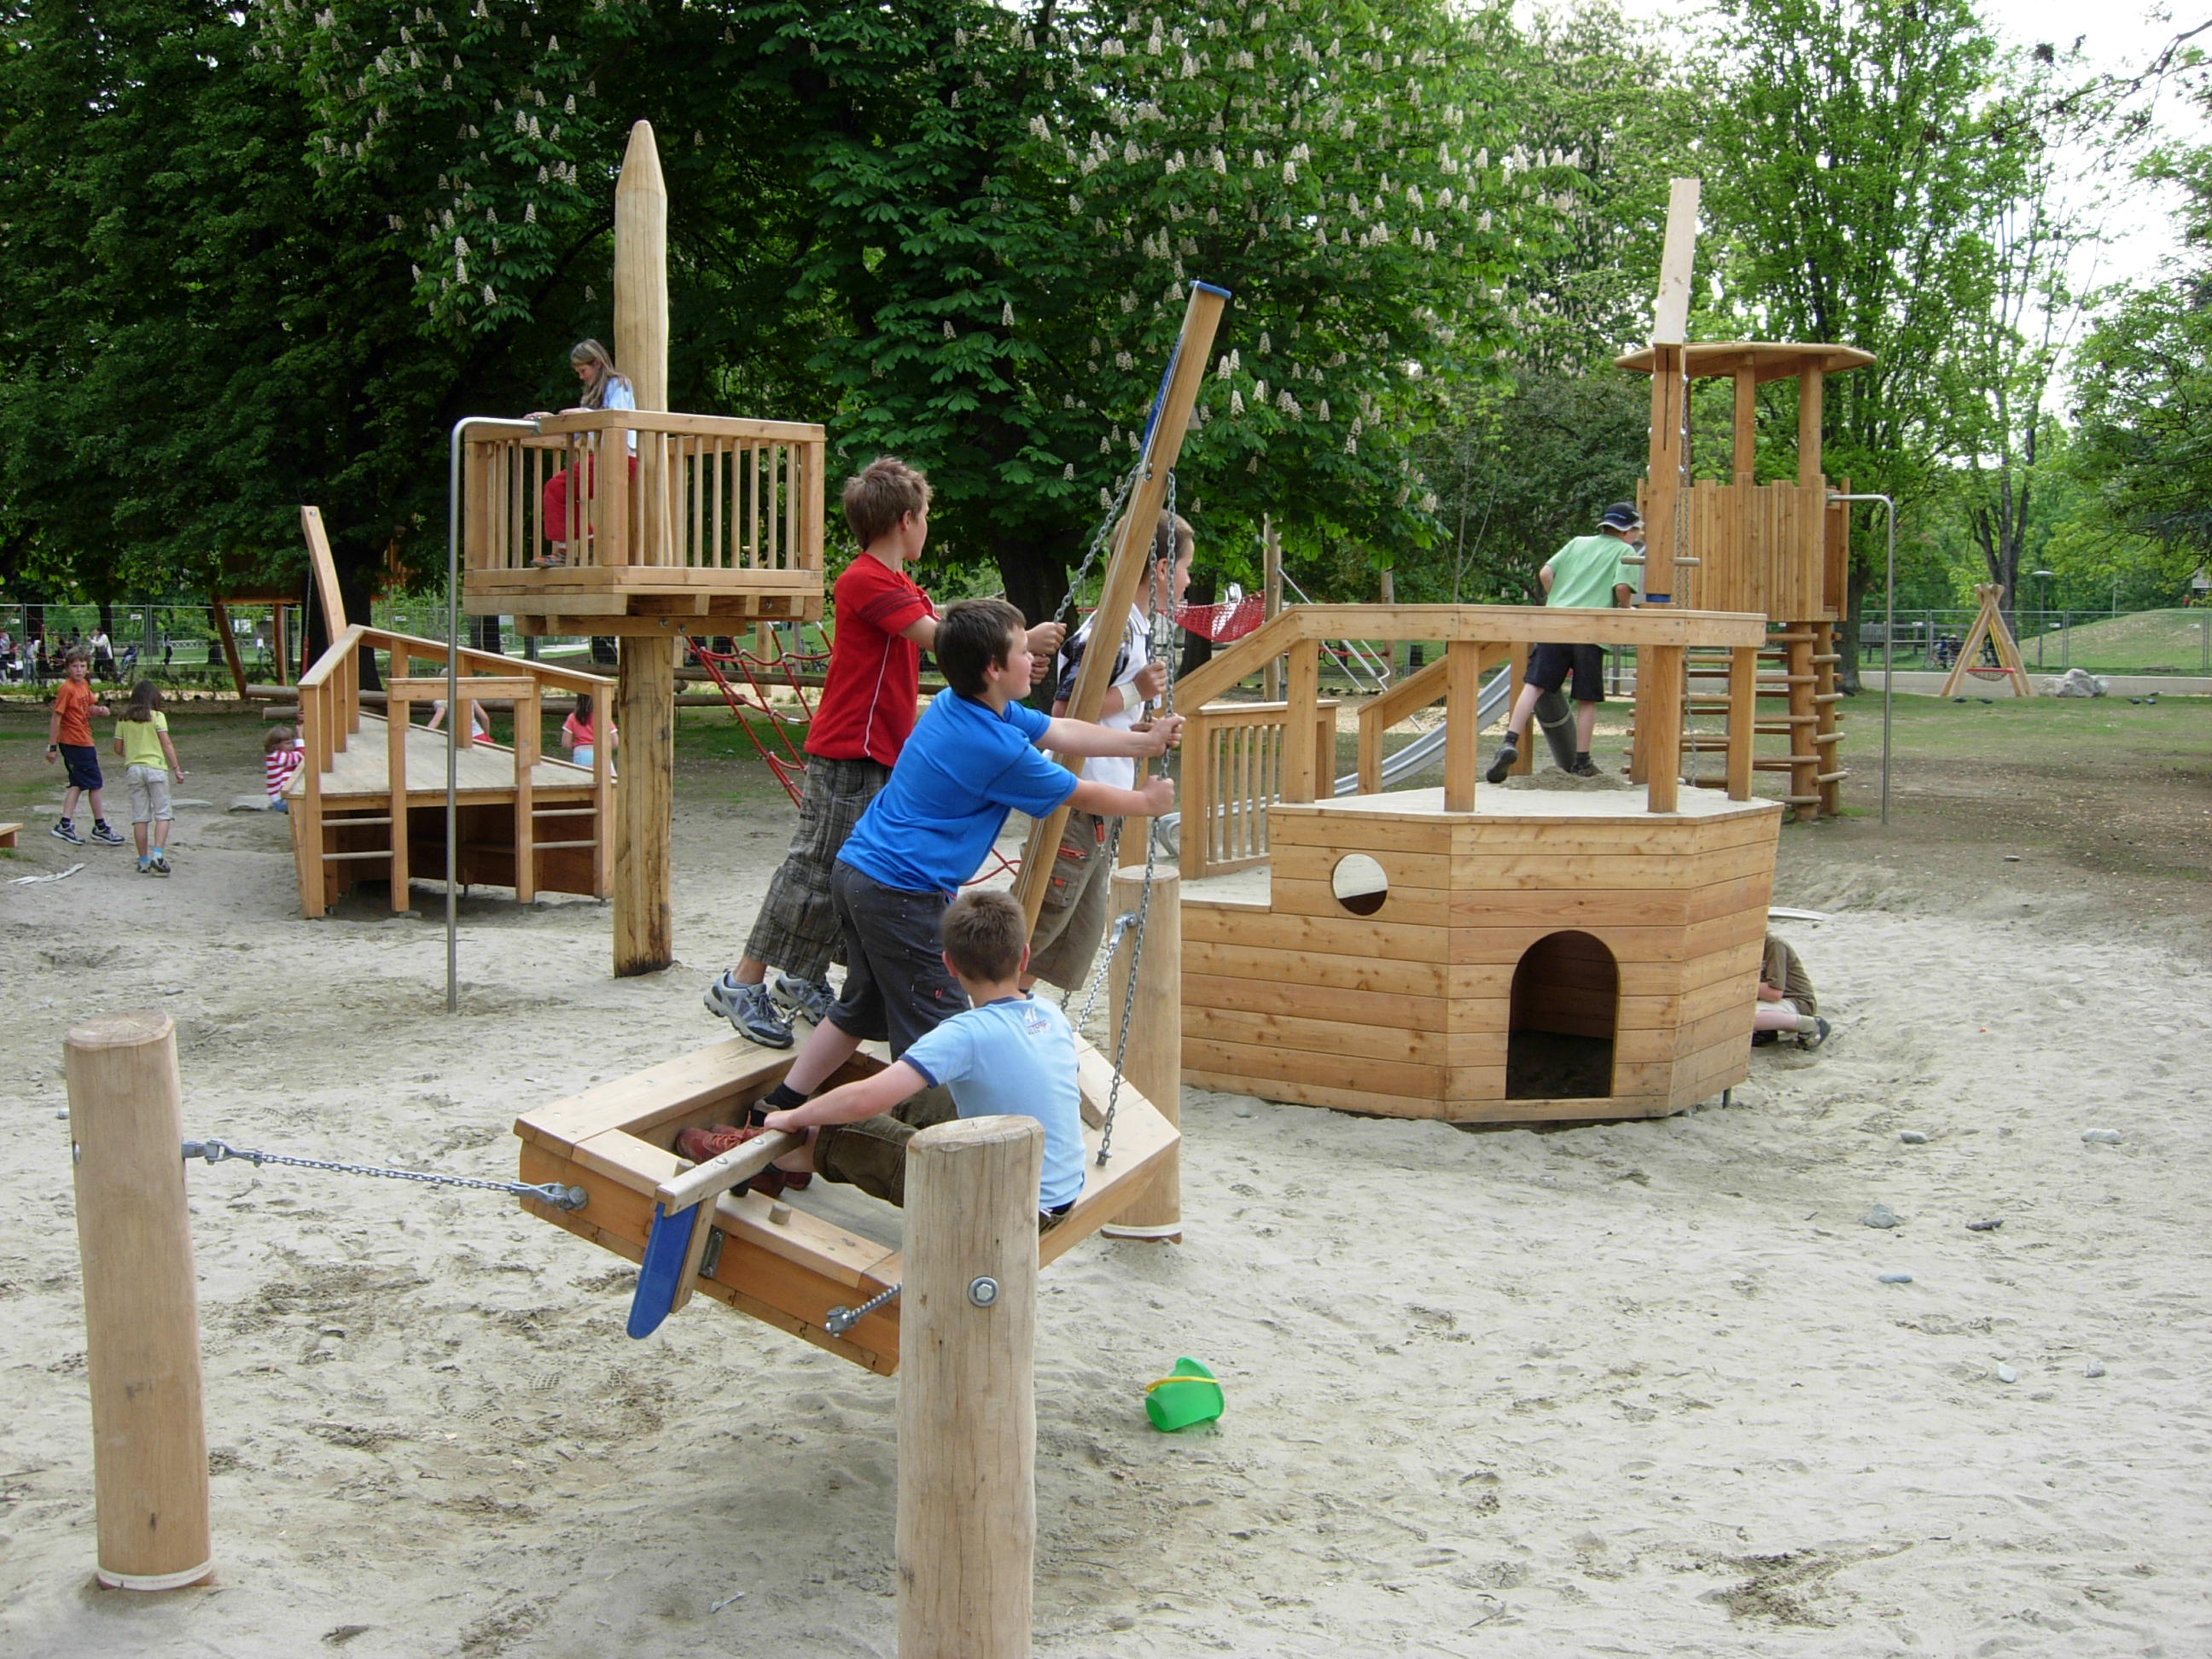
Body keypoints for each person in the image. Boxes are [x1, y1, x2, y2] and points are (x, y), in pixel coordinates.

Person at [727, 599, 1181, 1157]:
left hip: (861, 872)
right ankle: (866, 1148)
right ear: (994, 667)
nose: (1033, 659)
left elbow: (1063, 730)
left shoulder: (962, 705)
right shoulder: (991, 745)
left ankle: (779, 1103)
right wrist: (1144, 801)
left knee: (863, 1005)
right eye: (1022, 650)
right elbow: (1077, 792)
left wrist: (1144, 742)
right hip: (901, 893)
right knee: (941, 1049)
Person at [702, 458, 1063, 1048]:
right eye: (925, 517)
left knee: (851, 871)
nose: (928, 527)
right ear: (904, 520)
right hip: (851, 746)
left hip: (880, 751)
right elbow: (942, 638)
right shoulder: (864, 580)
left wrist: (1014, 643)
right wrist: (1018, 640)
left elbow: (947, 621)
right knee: (816, 867)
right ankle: (743, 981)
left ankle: (802, 978)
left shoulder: (903, 586)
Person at [679, 891, 1088, 1224]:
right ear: (1024, 956)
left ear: (948, 963)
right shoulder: (1047, 1012)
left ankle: (768, 1157)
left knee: (854, 1131)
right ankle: (795, 1156)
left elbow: (862, 1102)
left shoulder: (965, 1033)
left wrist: (793, 1116)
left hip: (1011, 1212)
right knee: (918, 1094)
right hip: (1060, 1187)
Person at [1026, 509, 1192, 995]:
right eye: (1185, 569)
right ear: (1161, 570)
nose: (1188, 581)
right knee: (1041, 922)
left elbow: (1101, 714)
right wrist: (1136, 693)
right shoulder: (1112, 631)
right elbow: (1065, 711)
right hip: (1078, 800)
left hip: (1102, 800)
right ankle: (997, 1012)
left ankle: (1016, 1009)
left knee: (1069, 932)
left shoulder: (1135, 628)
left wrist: (1140, 731)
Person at [1487, 502, 1640, 783]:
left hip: (1556, 624)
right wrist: (1626, 607)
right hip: (1591, 630)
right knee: (1586, 699)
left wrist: (1558, 599)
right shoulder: (1624, 551)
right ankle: (1582, 760)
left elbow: (1545, 573)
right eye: (1636, 532)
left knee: (1533, 686)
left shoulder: (1578, 542)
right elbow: (1621, 589)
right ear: (1627, 530)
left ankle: (1509, 741)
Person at [530, 340, 637, 565]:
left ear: (597, 363)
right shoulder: (591, 394)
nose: (581, 376)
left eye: (583, 370)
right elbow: (579, 434)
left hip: (619, 457)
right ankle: (585, 540)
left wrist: (585, 413)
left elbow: (618, 416)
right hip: (602, 457)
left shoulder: (619, 383)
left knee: (557, 487)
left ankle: (568, 549)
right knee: (560, 490)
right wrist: (550, 420)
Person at [46, 649, 125, 847]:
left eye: (82, 666)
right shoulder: (67, 688)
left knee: (78, 783)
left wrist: (99, 710)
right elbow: (57, 716)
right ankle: (99, 826)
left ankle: (66, 823)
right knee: (94, 784)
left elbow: (87, 707)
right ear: (68, 668)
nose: (79, 670)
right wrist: (52, 746)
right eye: (75, 666)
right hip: (74, 742)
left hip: (84, 739)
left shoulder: (83, 687)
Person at [114, 680, 185, 874]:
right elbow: (167, 744)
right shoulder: (157, 717)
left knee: (140, 817)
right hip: (156, 768)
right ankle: (158, 854)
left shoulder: (123, 719)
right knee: (163, 814)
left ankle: (143, 860)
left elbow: (118, 748)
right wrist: (176, 768)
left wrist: (131, 756)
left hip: (134, 769)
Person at [1753, 932, 1829, 1049]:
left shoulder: (1774, 944)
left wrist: (1737, 985)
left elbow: (1774, 993)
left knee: (1744, 1016)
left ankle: (1811, 1025)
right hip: (1768, 1002)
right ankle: (1765, 1032)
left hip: (1796, 1001)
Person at [561, 693, 615, 773]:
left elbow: (566, 743)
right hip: (602, 753)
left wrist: (577, 746)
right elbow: (615, 741)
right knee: (609, 782)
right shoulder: (603, 717)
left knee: (584, 781)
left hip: (582, 754)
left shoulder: (573, 717)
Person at [264, 724, 306, 810]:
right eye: (287, 743)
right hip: (281, 800)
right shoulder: (277, 756)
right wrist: (300, 738)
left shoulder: (281, 755)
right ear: (276, 746)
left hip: (284, 798)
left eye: (292, 743)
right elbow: (301, 756)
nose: (292, 746)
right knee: (311, 804)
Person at [424, 697, 492, 739]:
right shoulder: (469, 696)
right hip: (478, 735)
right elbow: (485, 718)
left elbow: (436, 720)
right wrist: (487, 736)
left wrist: (426, 734)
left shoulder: (441, 701)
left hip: (457, 739)